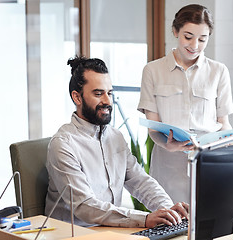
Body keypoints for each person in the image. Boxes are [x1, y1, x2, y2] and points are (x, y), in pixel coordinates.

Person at [45, 56, 189, 228]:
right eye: (98, 94)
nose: (107, 101)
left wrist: (167, 209)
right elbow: (84, 206)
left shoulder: (115, 137)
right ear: (77, 97)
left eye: (110, 93)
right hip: (74, 233)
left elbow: (140, 181)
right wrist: (144, 219)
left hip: (109, 231)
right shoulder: (63, 144)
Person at [137, 4, 233, 204]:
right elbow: (152, 126)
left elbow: (223, 122)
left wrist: (230, 137)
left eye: (202, 39)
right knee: (170, 226)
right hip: (168, 166)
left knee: (208, 225)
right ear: (175, 31)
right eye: (188, 37)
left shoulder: (219, 71)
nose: (195, 45)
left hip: (208, 162)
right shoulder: (152, 71)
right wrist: (168, 145)